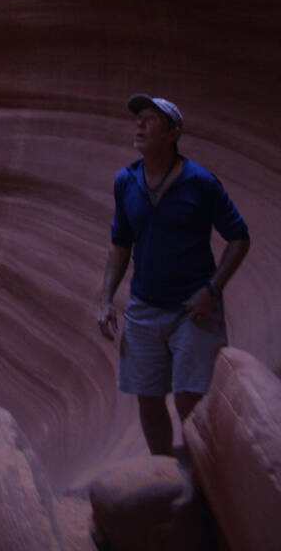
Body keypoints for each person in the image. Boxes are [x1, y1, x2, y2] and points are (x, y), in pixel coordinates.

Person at [97, 94, 250, 455]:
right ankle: (164, 473)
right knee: (148, 401)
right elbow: (120, 243)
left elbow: (239, 238)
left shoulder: (200, 183)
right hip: (145, 308)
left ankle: (206, 479)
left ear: (172, 133)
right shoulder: (126, 181)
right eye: (138, 118)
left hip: (193, 309)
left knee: (189, 400)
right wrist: (105, 299)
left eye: (150, 119)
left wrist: (213, 290)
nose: (139, 125)